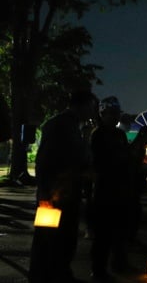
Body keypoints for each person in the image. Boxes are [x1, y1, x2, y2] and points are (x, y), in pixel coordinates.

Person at [29, 90, 98, 283]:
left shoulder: (75, 127)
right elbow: (44, 159)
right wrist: (43, 189)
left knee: (65, 236)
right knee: (48, 239)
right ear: (82, 105)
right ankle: (43, 276)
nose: (93, 112)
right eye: (92, 108)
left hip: (68, 192)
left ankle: (59, 272)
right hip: (53, 193)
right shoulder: (59, 125)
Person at [89, 96, 136, 280]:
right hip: (104, 189)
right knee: (103, 234)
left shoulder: (119, 135)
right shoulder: (98, 134)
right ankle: (98, 269)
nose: (116, 117)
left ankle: (119, 261)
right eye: (112, 114)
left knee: (120, 229)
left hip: (121, 188)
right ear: (103, 114)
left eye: (117, 113)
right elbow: (99, 162)